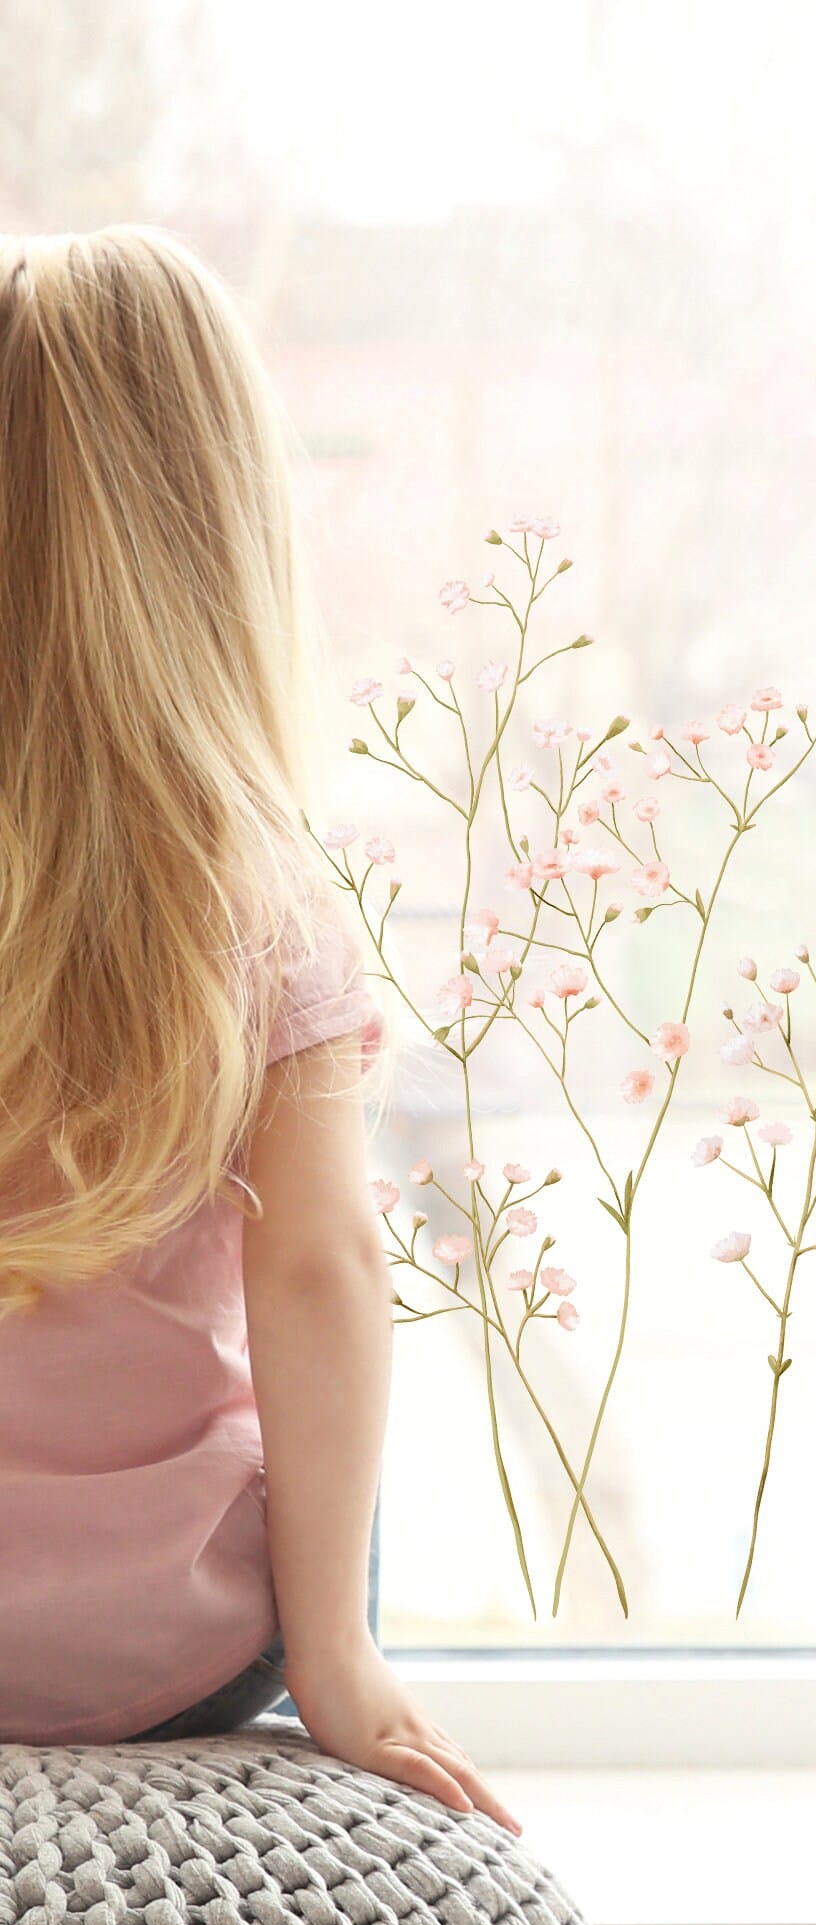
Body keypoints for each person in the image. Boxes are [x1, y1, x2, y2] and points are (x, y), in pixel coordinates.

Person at [0, 226, 516, 1833]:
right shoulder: (256, 891)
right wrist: (340, 1658)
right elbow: (321, 1269)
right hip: (180, 1648)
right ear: (227, 528)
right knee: (313, 1459)